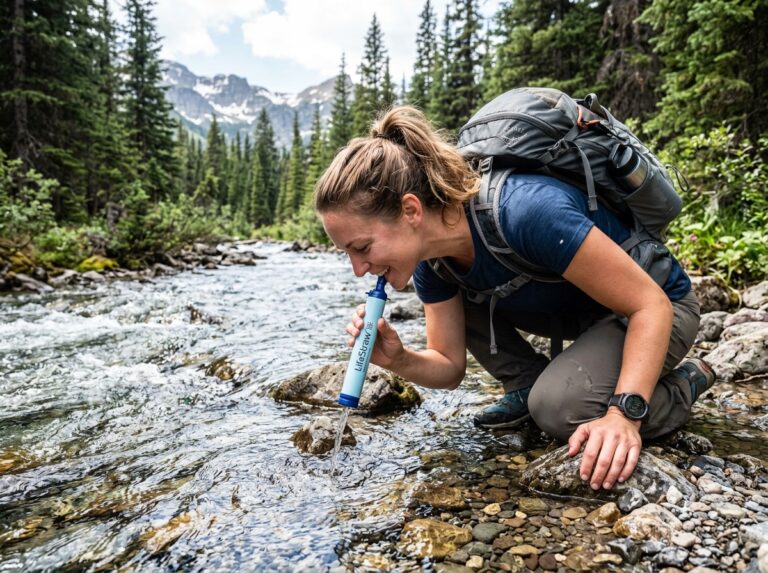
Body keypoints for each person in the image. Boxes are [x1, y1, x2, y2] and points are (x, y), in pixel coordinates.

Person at [314, 106, 715, 491]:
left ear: (411, 210)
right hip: (587, 314)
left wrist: (623, 414)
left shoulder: (524, 211)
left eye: (361, 248)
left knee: (561, 411)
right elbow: (449, 367)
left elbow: (650, 305)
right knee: (543, 398)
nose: (358, 269)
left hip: (658, 308)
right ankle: (527, 386)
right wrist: (398, 359)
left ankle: (683, 385)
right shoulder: (431, 263)